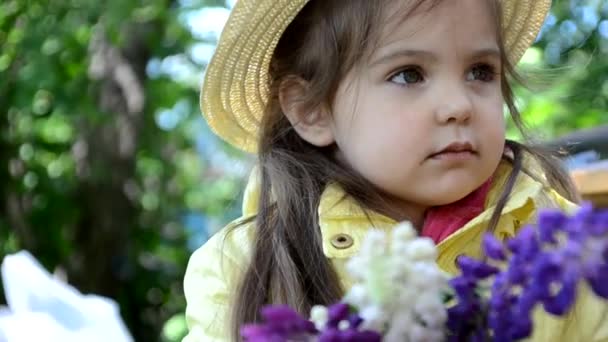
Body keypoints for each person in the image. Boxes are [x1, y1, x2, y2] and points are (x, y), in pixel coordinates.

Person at [183, 0, 608, 341]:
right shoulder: (239, 268)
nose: (458, 105)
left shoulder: (562, 237)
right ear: (311, 109)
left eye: (480, 71)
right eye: (409, 75)